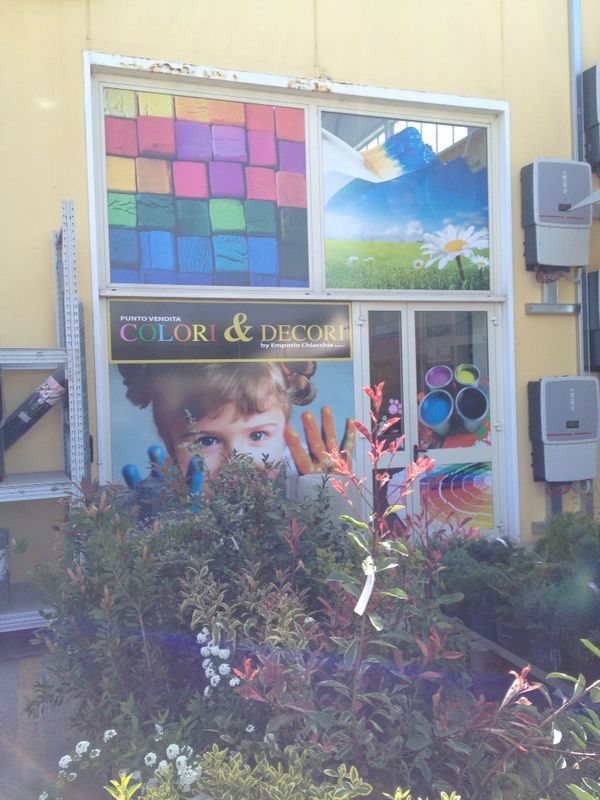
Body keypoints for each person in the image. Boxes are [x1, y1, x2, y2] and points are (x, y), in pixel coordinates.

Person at [117, 361, 354, 479]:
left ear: (285, 431)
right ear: (168, 441)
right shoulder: (159, 497)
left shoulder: (302, 474)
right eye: (206, 441)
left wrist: (326, 493)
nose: (236, 461)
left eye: (257, 435)